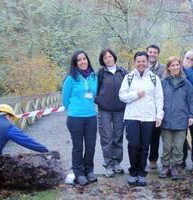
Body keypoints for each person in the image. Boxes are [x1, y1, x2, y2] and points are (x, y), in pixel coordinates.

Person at [119, 51, 164, 186]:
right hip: (132, 117)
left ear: (147, 62)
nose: (141, 63)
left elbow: (159, 98)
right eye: (138, 61)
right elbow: (122, 96)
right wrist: (136, 95)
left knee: (145, 146)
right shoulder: (129, 77)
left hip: (149, 117)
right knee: (133, 145)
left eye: (143, 61)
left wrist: (159, 115)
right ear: (135, 62)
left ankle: (141, 173)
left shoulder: (154, 78)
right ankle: (133, 172)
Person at [62, 50, 98, 186]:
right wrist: (74, 109)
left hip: (91, 117)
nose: (82, 62)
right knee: (78, 147)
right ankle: (79, 173)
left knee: (90, 146)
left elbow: (94, 95)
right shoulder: (71, 78)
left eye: (84, 59)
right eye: (79, 60)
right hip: (75, 118)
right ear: (75, 63)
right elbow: (65, 100)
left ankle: (89, 170)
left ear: (87, 60)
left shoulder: (94, 77)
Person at [0, 104, 49, 192]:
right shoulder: (7, 126)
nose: (12, 121)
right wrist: (45, 150)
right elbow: (26, 141)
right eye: (12, 119)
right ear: (8, 116)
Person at [159, 57, 193, 180]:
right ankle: (165, 166)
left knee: (178, 146)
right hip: (166, 120)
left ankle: (175, 166)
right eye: (172, 65)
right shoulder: (163, 82)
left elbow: (191, 101)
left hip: (181, 120)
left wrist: (191, 115)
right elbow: (158, 100)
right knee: (167, 145)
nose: (175, 67)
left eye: (177, 65)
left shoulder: (186, 83)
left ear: (180, 67)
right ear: (168, 67)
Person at [96, 48, 127, 177]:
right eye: (105, 58)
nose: (108, 59)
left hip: (120, 110)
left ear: (114, 57)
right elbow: (95, 90)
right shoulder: (101, 73)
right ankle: (108, 164)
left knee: (118, 137)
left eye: (110, 56)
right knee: (107, 138)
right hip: (104, 111)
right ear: (102, 60)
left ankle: (117, 163)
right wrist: (99, 101)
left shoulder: (123, 72)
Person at [146, 44, 165, 169]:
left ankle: (153, 159)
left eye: (155, 52)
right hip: (143, 106)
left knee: (155, 135)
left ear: (158, 54)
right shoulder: (141, 66)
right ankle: (141, 158)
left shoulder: (163, 69)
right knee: (143, 135)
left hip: (157, 105)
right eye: (150, 52)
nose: (152, 54)